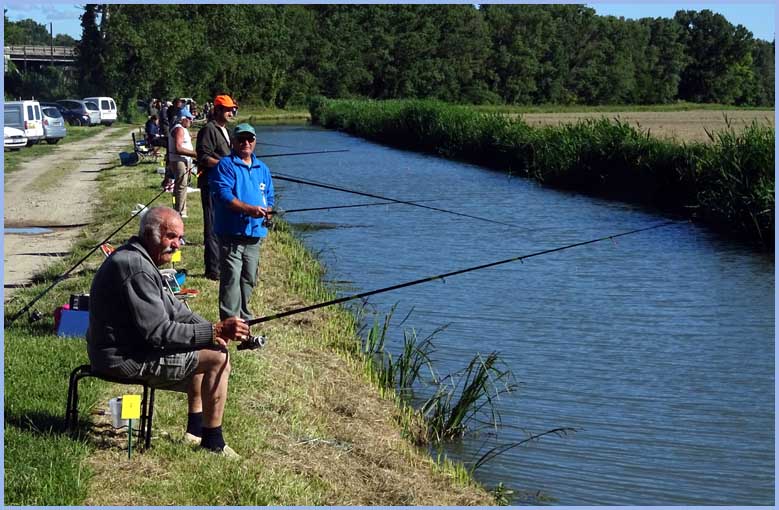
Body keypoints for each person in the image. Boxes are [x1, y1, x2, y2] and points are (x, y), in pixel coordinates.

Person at [86, 206, 251, 457]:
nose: (177, 245)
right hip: (121, 358)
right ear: (149, 234)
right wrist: (213, 331)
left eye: (180, 238)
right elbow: (158, 332)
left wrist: (215, 332)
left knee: (206, 346)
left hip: (128, 349)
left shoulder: (139, 259)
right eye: (171, 237)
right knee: (218, 359)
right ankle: (213, 442)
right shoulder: (137, 267)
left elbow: (177, 310)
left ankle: (195, 432)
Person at [210, 123, 274, 321]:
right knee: (231, 278)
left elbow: (269, 197)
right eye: (241, 139)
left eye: (250, 139)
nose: (246, 143)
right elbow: (224, 195)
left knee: (249, 278)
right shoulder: (225, 165)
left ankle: (245, 320)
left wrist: (268, 212)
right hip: (231, 233)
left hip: (255, 234)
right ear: (233, 142)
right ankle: (230, 322)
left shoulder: (262, 168)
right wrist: (249, 209)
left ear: (255, 141)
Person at [196, 94, 237, 281]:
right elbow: (203, 157)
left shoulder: (224, 130)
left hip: (224, 184)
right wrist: (225, 165)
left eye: (232, 109)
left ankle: (222, 265)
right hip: (211, 184)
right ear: (217, 110)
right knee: (212, 225)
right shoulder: (208, 129)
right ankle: (213, 269)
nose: (231, 112)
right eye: (227, 109)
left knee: (222, 224)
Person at [168, 106, 197, 218]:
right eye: (190, 119)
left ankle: (178, 209)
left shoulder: (181, 129)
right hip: (179, 160)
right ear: (183, 118)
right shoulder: (179, 129)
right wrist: (195, 154)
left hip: (182, 160)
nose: (191, 121)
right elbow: (178, 148)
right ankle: (180, 212)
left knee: (181, 186)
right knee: (181, 186)